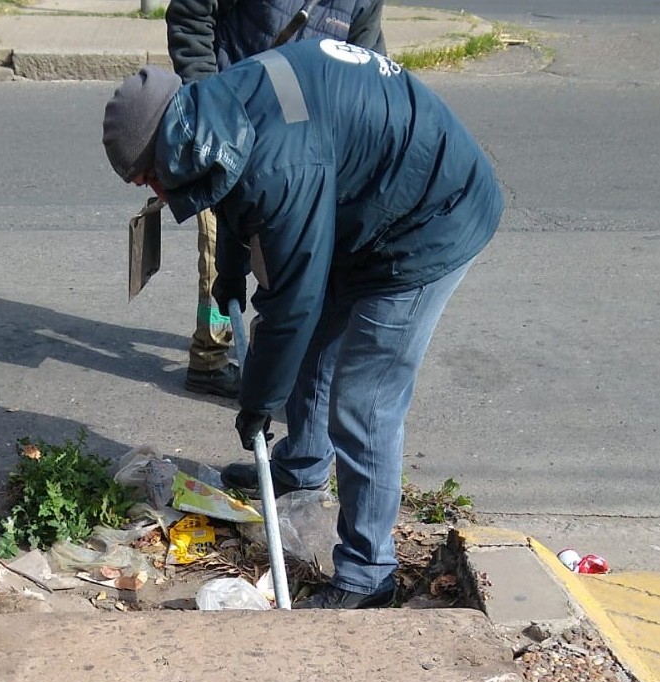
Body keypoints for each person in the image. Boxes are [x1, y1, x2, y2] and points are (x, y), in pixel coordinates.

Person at [101, 38, 503, 608]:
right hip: (366, 205)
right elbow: (238, 194)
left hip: (430, 218)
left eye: (146, 179)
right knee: (315, 343)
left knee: (364, 400)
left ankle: (368, 575)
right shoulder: (218, 115)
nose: (152, 193)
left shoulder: (279, 161)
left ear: (168, 152)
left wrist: (258, 401)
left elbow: (293, 301)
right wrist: (232, 272)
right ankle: (302, 469)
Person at [166, 0, 387, 398]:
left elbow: (365, 68)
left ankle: (280, 362)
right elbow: (190, 14)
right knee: (222, 248)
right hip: (231, 127)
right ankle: (210, 356)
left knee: (293, 266)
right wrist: (209, 104)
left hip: (303, 148)